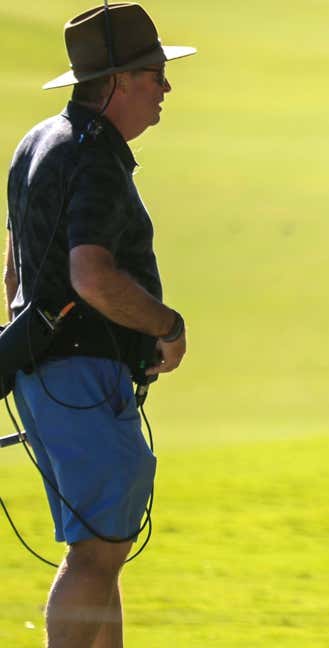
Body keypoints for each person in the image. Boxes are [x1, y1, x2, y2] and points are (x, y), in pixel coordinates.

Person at [4, 3, 193, 646]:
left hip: (50, 374)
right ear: (116, 82)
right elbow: (91, 275)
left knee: (102, 550)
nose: (165, 88)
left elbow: (14, 279)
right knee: (96, 553)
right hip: (79, 374)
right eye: (154, 75)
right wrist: (167, 326)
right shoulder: (95, 154)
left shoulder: (38, 142)